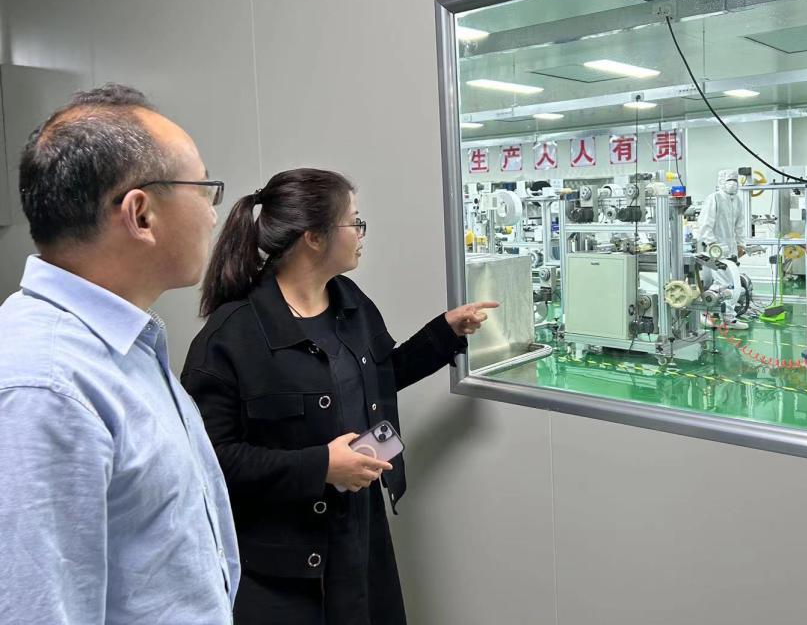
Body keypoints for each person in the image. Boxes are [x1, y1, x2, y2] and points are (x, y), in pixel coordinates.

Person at [181, 168, 497, 624]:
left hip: (359, 539)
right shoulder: (231, 337)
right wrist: (320, 466)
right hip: (282, 570)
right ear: (314, 237)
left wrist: (444, 333)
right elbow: (209, 459)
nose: (362, 233)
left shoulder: (350, 303)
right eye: (355, 221)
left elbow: (379, 379)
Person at [0, 84, 239, 623]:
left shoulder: (122, 347)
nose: (213, 215)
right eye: (204, 189)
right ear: (141, 214)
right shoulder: (46, 387)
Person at [696, 168, 748, 329]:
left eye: (735, 180)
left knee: (732, 285)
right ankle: (704, 312)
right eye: (729, 181)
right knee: (721, 283)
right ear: (721, 182)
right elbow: (704, 224)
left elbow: (740, 225)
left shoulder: (737, 201)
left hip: (731, 249)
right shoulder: (714, 198)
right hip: (715, 250)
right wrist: (712, 243)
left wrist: (741, 244)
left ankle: (728, 317)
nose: (733, 184)